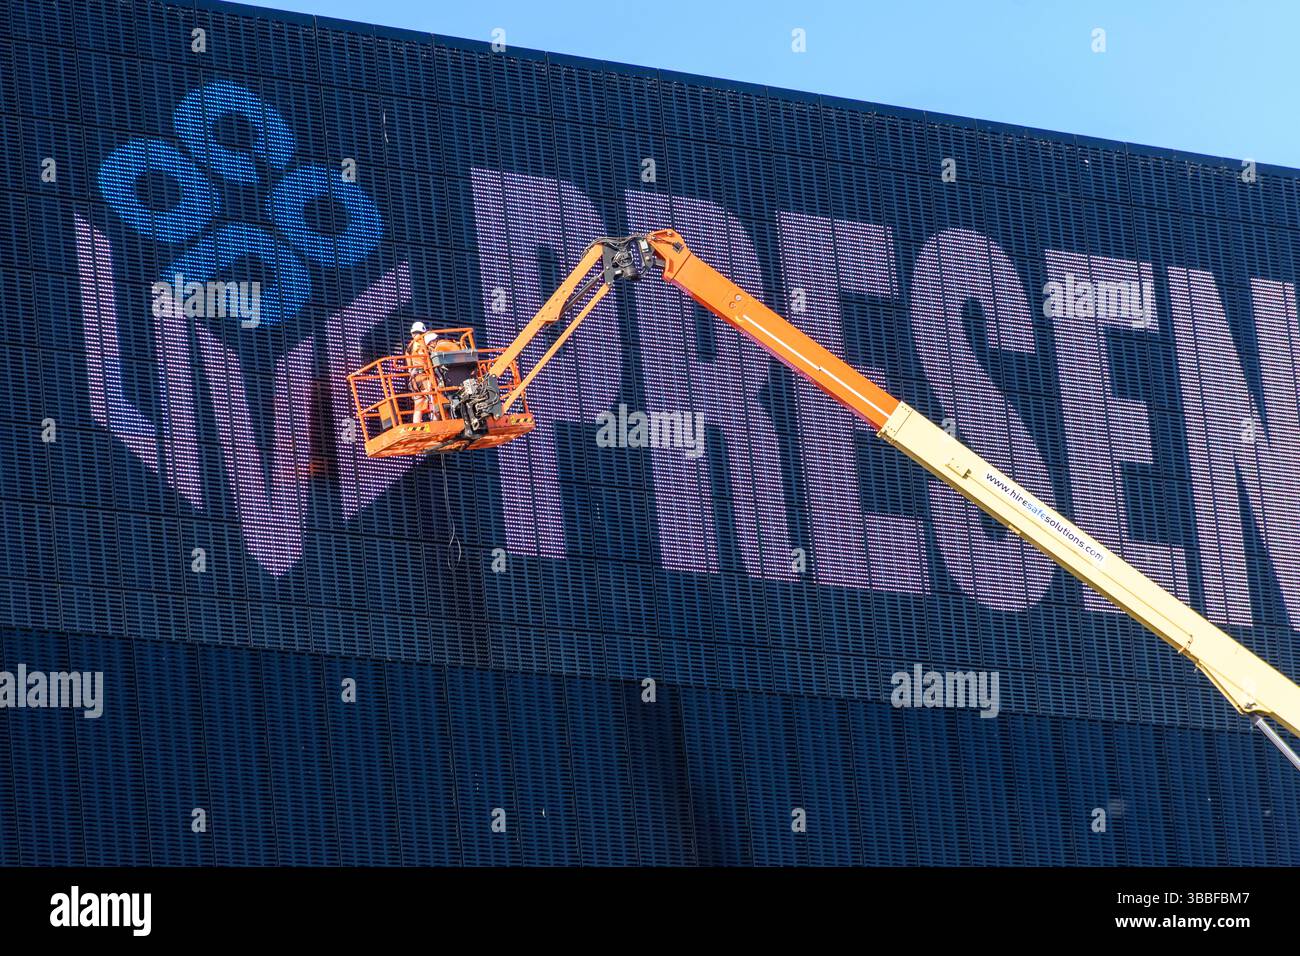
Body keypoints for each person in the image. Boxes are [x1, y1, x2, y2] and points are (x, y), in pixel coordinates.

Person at [406, 321, 436, 423]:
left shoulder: (409, 347)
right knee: (434, 398)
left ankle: (416, 424)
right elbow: (426, 357)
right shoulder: (420, 344)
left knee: (418, 405)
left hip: (413, 379)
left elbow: (409, 366)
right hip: (423, 376)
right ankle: (435, 422)